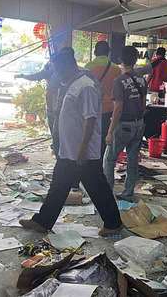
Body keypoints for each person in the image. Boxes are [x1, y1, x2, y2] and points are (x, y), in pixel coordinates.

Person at [19, 48, 122, 236]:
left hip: (81, 152)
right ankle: (43, 221)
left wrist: (82, 151)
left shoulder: (86, 86)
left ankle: (113, 223)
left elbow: (90, 120)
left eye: (57, 69)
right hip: (70, 150)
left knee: (96, 187)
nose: (56, 73)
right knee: (59, 185)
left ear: (67, 65)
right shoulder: (73, 84)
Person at [103, 46, 147, 201]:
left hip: (123, 125)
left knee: (109, 159)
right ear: (135, 60)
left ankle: (107, 192)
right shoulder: (142, 79)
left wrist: (109, 132)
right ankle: (128, 192)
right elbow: (143, 105)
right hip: (139, 123)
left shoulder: (119, 81)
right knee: (132, 159)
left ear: (121, 60)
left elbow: (118, 108)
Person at [85, 41, 121, 160]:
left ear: (95, 52)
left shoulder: (88, 68)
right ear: (108, 52)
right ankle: (103, 163)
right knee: (106, 139)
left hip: (93, 109)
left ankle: (93, 162)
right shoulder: (117, 69)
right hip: (111, 109)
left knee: (93, 138)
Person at [15, 62, 61, 152]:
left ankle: (57, 146)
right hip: (56, 105)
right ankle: (57, 145)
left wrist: (22, 76)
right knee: (56, 129)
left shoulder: (52, 70)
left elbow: (36, 76)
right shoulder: (58, 72)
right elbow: (37, 76)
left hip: (54, 106)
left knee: (55, 129)